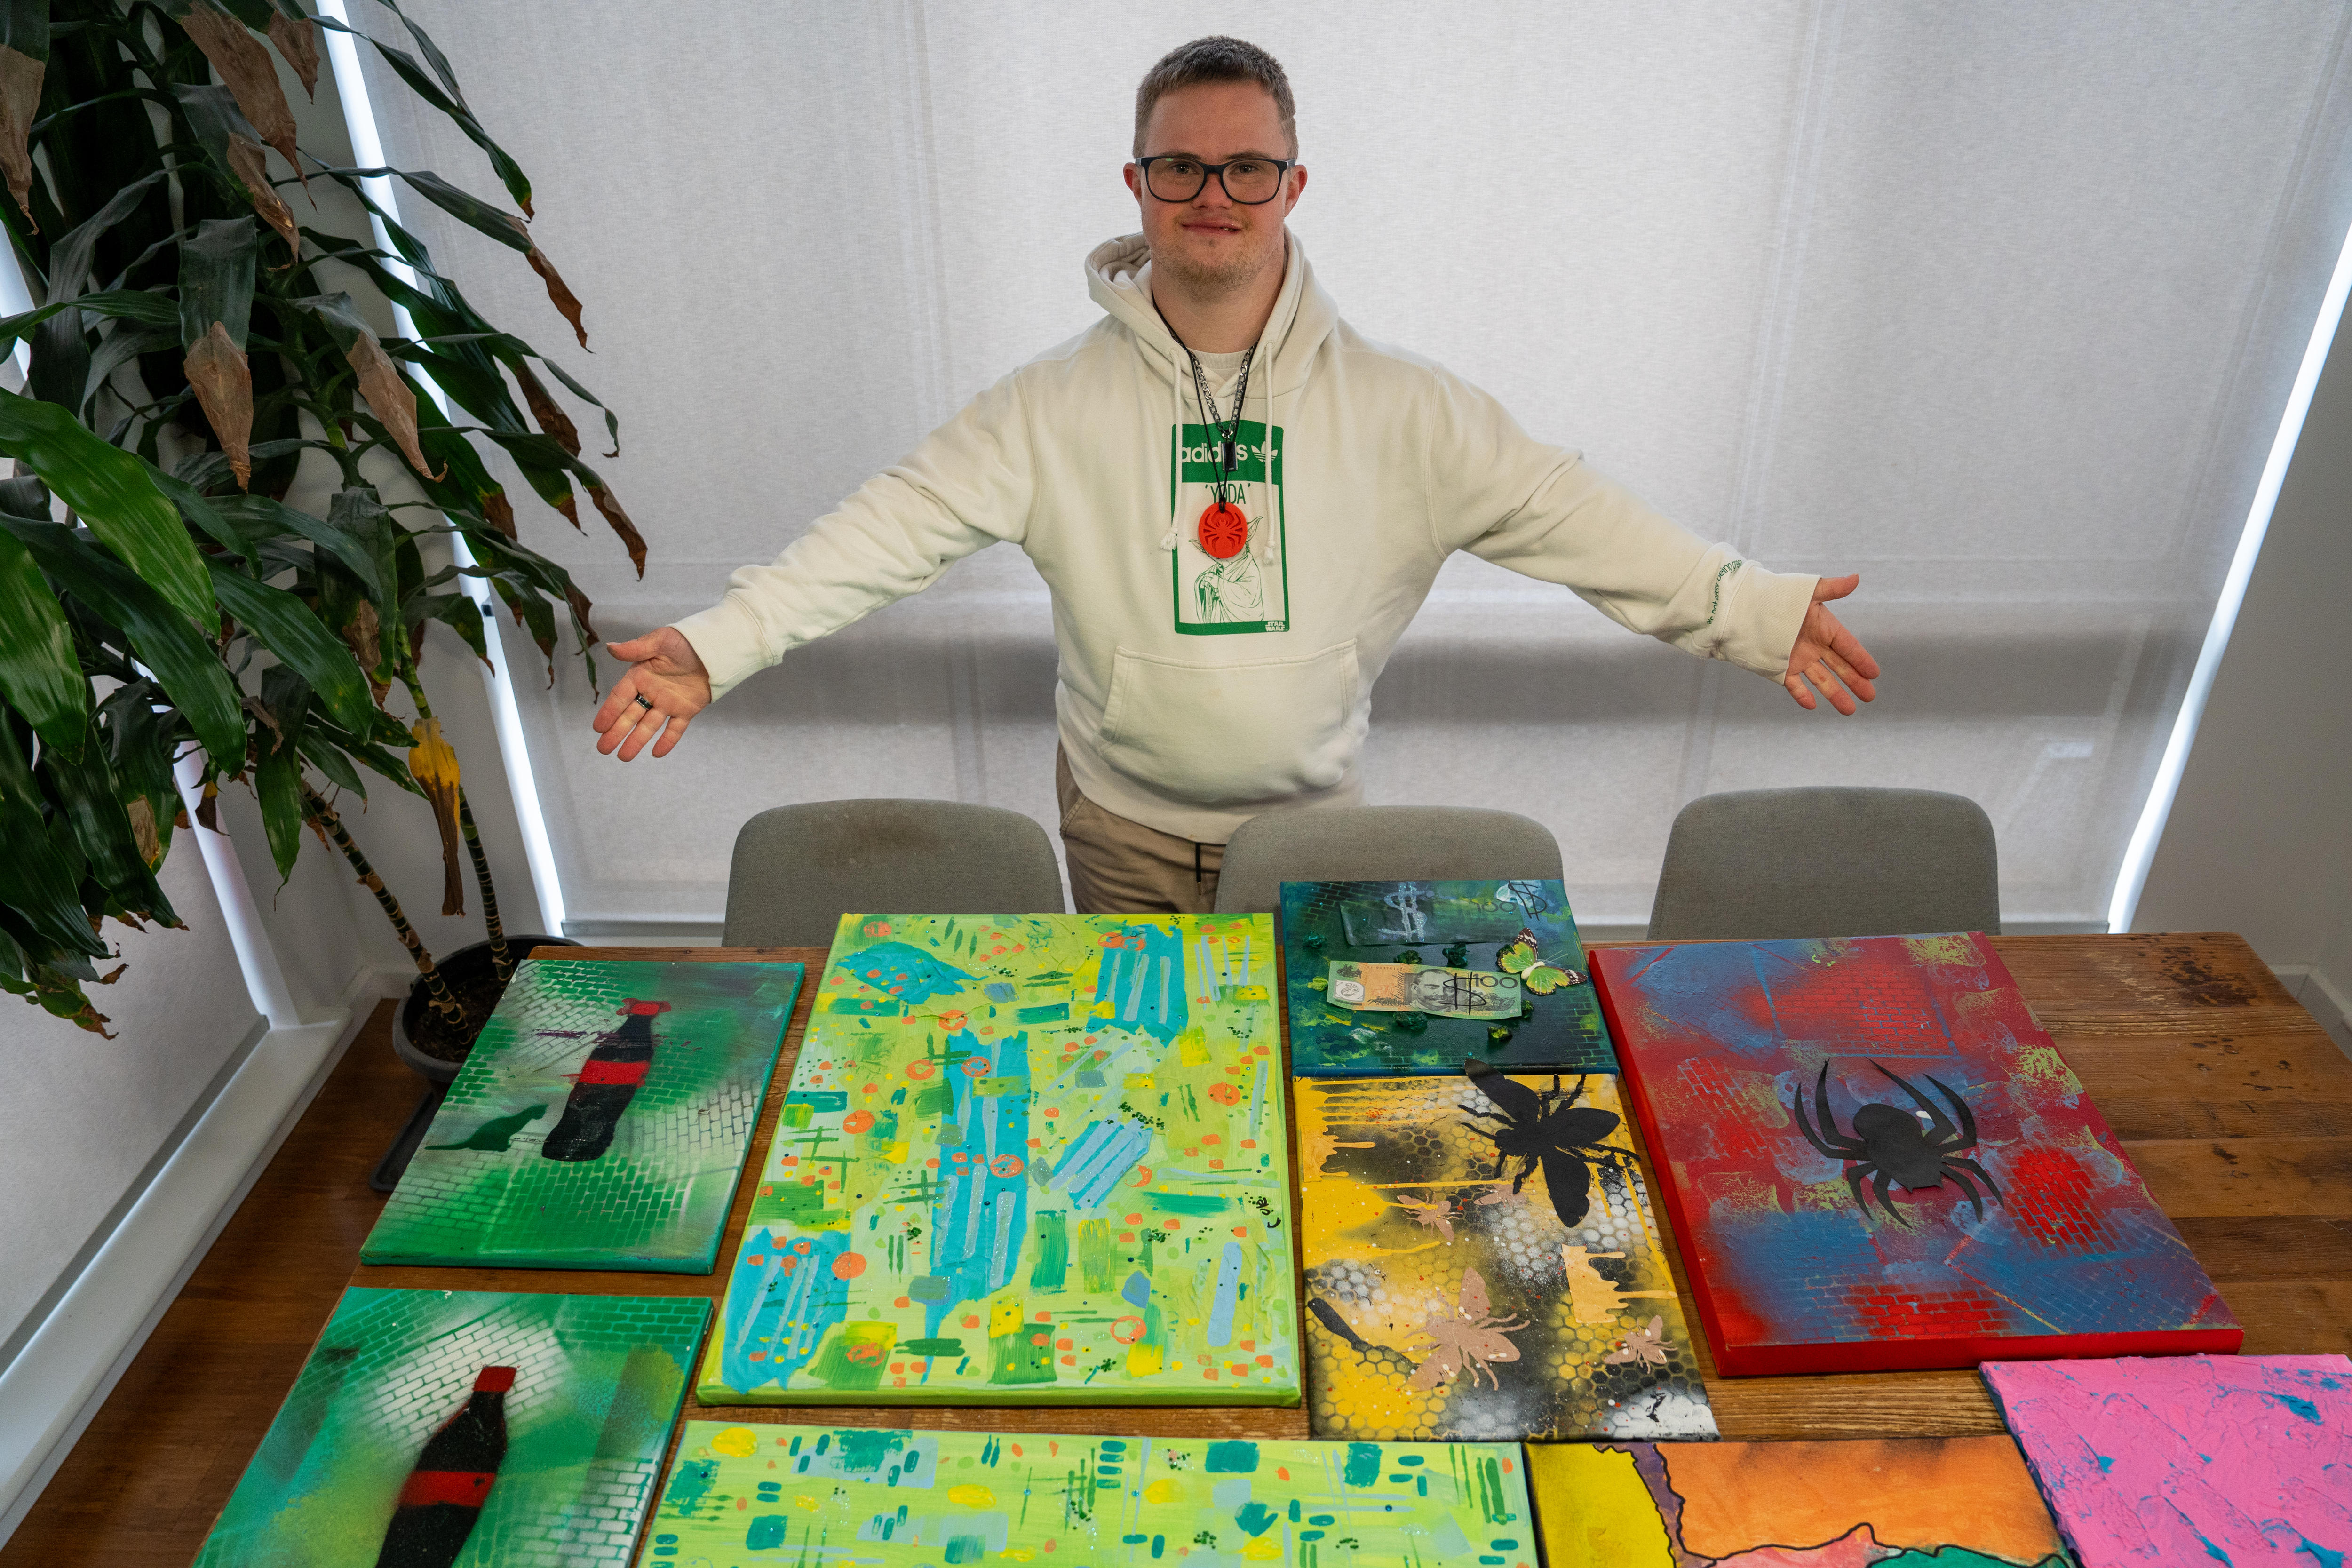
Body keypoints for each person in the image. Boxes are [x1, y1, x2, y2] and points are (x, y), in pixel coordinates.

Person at [592, 36, 1880, 914]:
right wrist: (721, 645)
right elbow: (878, 536)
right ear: (1139, 187)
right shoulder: (1043, 410)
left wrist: (1752, 610)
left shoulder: (1410, 411)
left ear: (1293, 185)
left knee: (1302, 1111)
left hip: (1315, 838)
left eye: (1247, 166)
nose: (1215, 193)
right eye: (1181, 166)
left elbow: (1578, 519)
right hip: (1117, 830)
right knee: (1153, 1112)